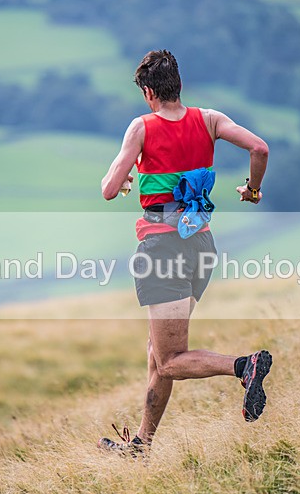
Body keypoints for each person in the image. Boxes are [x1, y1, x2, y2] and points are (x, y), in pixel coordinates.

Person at [98, 49, 272, 455]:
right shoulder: (210, 120)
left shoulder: (141, 127)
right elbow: (260, 149)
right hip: (202, 246)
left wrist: (127, 176)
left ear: (147, 92)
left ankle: (243, 367)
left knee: (171, 358)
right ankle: (141, 444)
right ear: (178, 86)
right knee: (157, 352)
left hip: (162, 248)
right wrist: (253, 189)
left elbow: (109, 189)